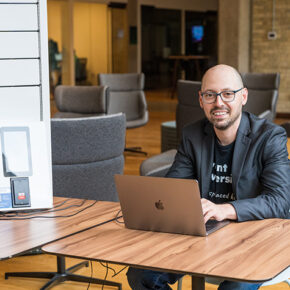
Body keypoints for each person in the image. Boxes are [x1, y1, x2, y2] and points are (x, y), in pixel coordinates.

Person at [127, 64, 290, 290]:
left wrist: (224, 209)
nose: (219, 102)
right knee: (140, 275)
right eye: (210, 95)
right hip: (204, 233)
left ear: (243, 96)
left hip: (253, 235)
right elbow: (173, 187)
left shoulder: (270, 137)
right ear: (201, 99)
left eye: (227, 94)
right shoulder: (192, 135)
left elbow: (280, 201)